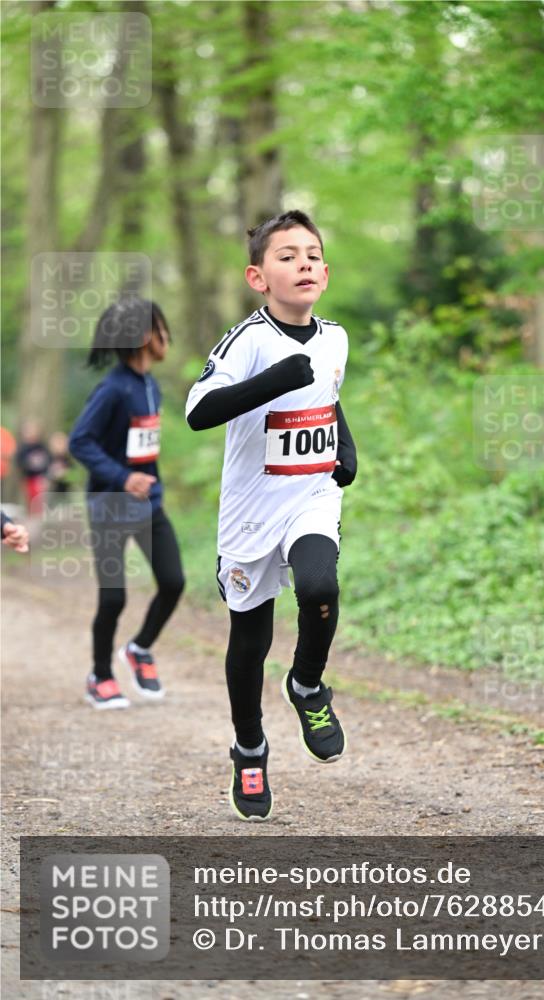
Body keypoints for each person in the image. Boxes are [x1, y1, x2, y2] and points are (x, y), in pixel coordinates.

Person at [186, 209, 357, 821]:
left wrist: (345, 445)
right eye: (287, 256)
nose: (303, 263)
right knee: (249, 642)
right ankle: (249, 748)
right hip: (250, 517)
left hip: (309, 497)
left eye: (311, 254)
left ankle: (308, 684)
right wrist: (275, 379)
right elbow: (199, 412)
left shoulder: (335, 336)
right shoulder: (248, 341)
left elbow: (327, 398)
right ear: (258, 278)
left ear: (325, 271)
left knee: (319, 585)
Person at [69, 297, 185, 710]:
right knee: (114, 598)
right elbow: (79, 441)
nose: (166, 336)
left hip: (148, 505)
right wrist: (122, 477)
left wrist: (146, 480)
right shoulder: (113, 389)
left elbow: (142, 448)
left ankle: (139, 648)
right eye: (161, 328)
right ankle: (99, 675)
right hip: (110, 507)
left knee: (173, 582)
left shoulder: (150, 384)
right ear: (143, 337)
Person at [15, 420, 50, 515]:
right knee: (30, 500)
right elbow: (19, 462)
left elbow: (48, 461)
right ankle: (31, 517)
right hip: (28, 478)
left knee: (40, 500)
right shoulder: (23, 448)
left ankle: (39, 516)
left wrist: (45, 475)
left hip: (40, 478)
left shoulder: (42, 446)